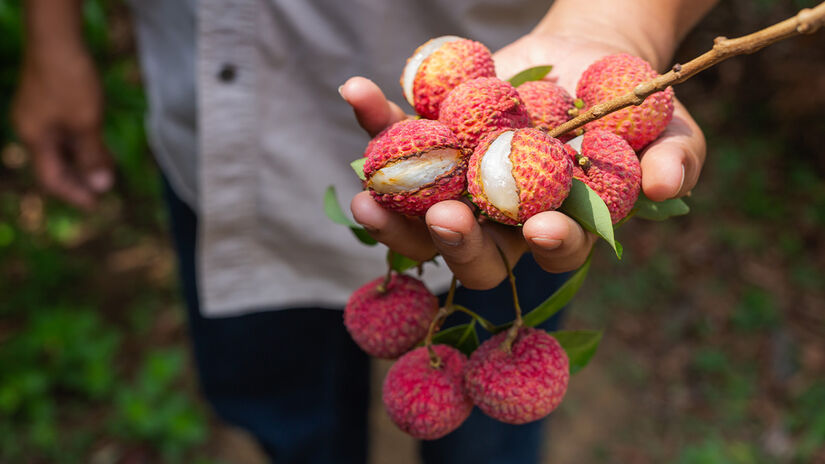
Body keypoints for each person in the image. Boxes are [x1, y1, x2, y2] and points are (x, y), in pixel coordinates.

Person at [13, 0, 714, 462]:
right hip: (214, 139)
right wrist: (53, 34)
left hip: (503, 217)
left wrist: (619, 25)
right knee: (282, 407)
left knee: (486, 441)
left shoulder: (538, 158)